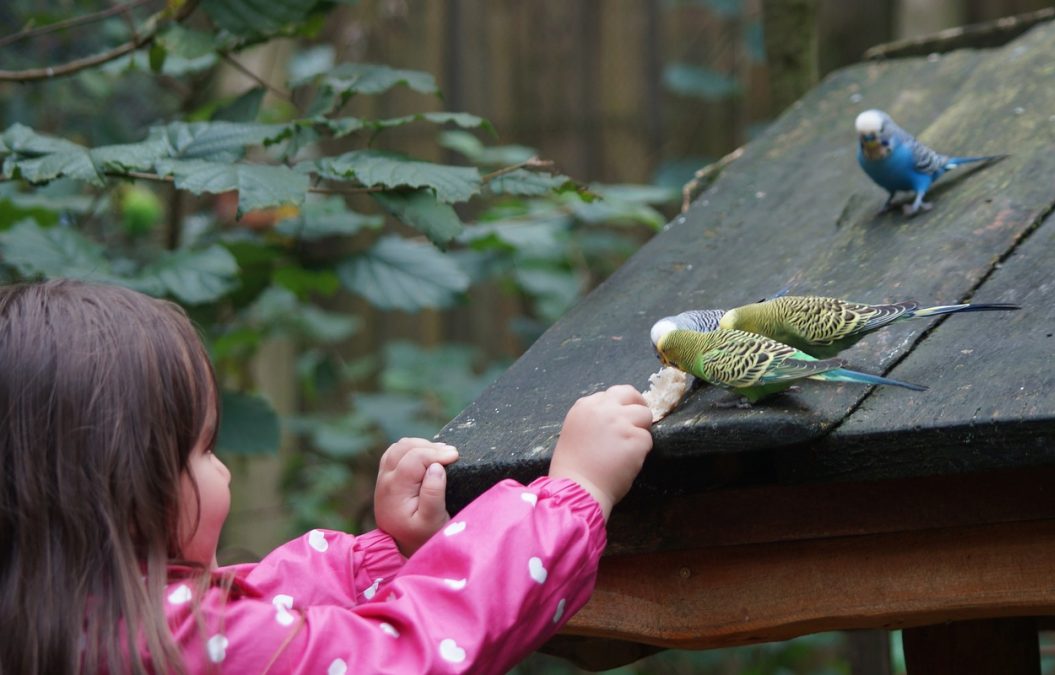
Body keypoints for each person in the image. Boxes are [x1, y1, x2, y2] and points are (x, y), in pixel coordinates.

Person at [0, 279, 654, 674]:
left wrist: (386, 558)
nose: (222, 466)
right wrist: (571, 496)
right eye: (202, 449)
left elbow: (268, 604)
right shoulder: (169, 641)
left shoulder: (68, 622)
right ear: (122, 487)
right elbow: (409, 657)